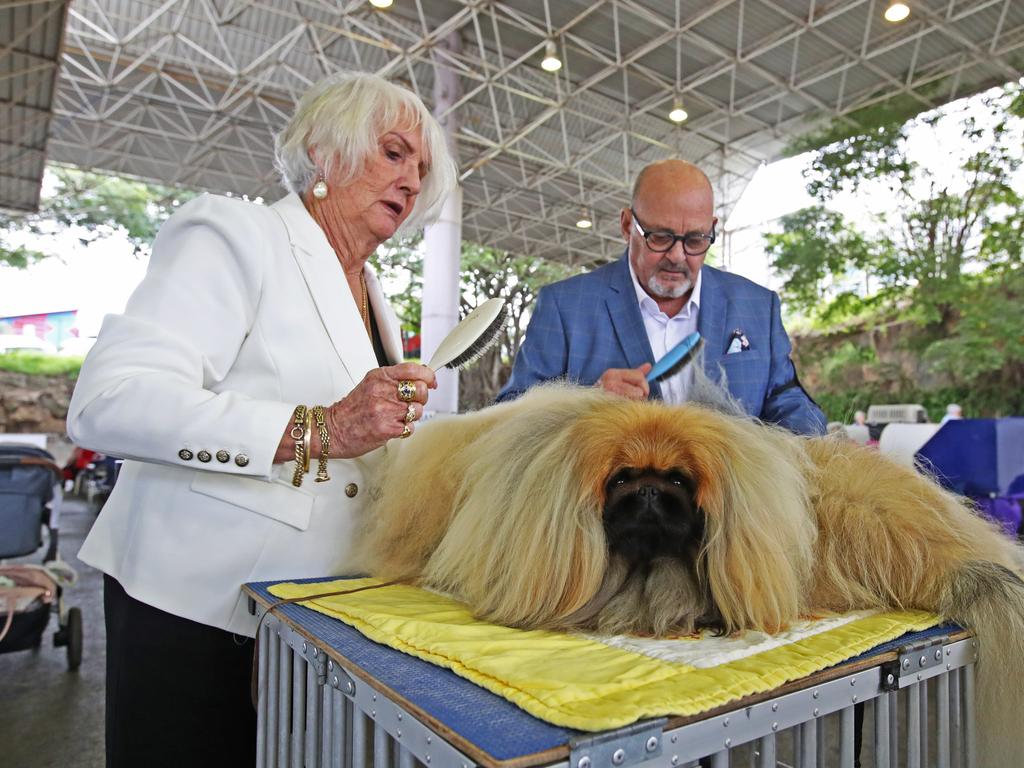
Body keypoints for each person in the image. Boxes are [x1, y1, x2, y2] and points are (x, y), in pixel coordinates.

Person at [66, 72, 457, 768]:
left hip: (304, 621)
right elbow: (111, 399)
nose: (410, 180)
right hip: (192, 607)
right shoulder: (236, 232)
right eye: (394, 152)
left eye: (421, 169)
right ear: (324, 150)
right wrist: (323, 429)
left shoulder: (373, 292)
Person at [497, 159, 825, 435]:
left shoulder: (757, 307)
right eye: (660, 237)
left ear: (712, 227)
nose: (678, 256)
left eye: (696, 239)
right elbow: (509, 418)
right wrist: (585, 405)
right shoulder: (564, 308)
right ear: (627, 226)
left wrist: (818, 442)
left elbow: (785, 398)